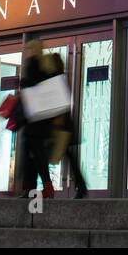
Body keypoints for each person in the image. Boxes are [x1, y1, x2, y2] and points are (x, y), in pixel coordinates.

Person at [42, 51, 88, 199]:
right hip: (62, 127)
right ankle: (80, 187)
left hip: (59, 127)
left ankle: (48, 188)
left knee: (42, 157)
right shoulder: (58, 79)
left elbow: (60, 104)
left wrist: (56, 122)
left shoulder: (55, 79)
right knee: (69, 157)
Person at [17, 39, 55, 198]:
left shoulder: (33, 63)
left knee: (34, 155)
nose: (26, 51)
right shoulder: (46, 65)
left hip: (34, 119)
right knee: (34, 155)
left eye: (28, 48)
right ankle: (33, 188)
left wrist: (22, 83)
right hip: (42, 119)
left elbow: (31, 86)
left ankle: (35, 187)